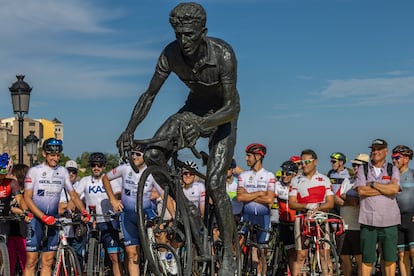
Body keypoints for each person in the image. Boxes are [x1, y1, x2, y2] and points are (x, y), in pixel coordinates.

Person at [116, 3, 240, 274]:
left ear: (203, 32)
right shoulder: (170, 53)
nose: (183, 42)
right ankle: (188, 212)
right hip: (191, 110)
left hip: (221, 116)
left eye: (190, 35)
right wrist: (129, 130)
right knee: (153, 154)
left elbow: (233, 107)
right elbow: (149, 94)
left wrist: (203, 123)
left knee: (217, 183)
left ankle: (229, 252)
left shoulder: (223, 54)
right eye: (179, 35)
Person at [24, 138, 90, 276]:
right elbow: (27, 198)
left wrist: (84, 211)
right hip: (37, 219)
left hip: (53, 219)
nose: (56, 158)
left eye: (58, 155)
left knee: (48, 261)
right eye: (52, 155)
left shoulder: (63, 171)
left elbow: (73, 195)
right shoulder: (34, 171)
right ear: (44, 154)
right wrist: (42, 217)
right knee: (31, 261)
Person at [103, 145, 165, 275]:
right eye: (133, 154)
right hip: (128, 216)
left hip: (147, 214)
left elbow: (164, 195)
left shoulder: (152, 172)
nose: (134, 156)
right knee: (132, 255)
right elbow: (105, 178)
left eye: (138, 154)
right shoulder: (125, 168)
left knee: (159, 245)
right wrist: (113, 200)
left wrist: (174, 214)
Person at [354, 139, 400, 276]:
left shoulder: (393, 169)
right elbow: (361, 191)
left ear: (386, 151)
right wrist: (385, 188)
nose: (375, 152)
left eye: (379, 149)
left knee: (390, 258)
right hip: (368, 221)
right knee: (367, 259)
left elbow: (394, 189)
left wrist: (372, 184)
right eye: (373, 149)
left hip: (390, 220)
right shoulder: (363, 169)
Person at [288, 149, 334, 276]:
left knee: (325, 254)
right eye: (302, 162)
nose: (304, 165)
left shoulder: (324, 179)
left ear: (315, 162)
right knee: (301, 255)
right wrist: (307, 206)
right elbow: (291, 203)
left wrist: (317, 209)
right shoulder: (295, 180)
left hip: (321, 218)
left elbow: (330, 202)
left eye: (307, 161)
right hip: (302, 219)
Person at [75, 152, 122, 276]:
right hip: (92, 221)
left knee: (114, 257)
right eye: (94, 165)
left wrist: (117, 200)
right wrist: (71, 209)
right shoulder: (85, 181)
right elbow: (75, 196)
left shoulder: (111, 180)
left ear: (104, 166)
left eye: (99, 165)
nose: (96, 167)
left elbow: (117, 195)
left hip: (109, 220)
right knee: (88, 255)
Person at [237, 143, 275, 276]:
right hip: (247, 216)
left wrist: (250, 195)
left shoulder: (269, 176)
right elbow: (240, 197)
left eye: (248, 156)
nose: (246, 159)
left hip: (263, 217)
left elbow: (270, 199)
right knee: (238, 243)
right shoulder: (244, 176)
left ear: (258, 157)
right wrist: (260, 193)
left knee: (262, 253)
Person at [336, 153, 369, 276]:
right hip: (344, 227)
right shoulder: (347, 180)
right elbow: (336, 198)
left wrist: (345, 198)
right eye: (354, 165)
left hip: (359, 227)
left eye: (358, 165)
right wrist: (349, 200)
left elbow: (359, 202)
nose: (355, 168)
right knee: (344, 258)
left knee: (360, 260)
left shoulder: (367, 183)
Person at [58, 160, 86, 268]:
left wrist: (65, 205)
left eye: (73, 172)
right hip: (62, 229)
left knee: (77, 259)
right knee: (62, 260)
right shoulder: (59, 187)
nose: (71, 174)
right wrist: (71, 204)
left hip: (76, 228)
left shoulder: (80, 186)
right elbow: (58, 209)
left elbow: (82, 206)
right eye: (68, 171)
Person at [391, 145, 414, 276]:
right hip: (396, 219)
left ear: (406, 159)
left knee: (413, 252)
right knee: (401, 254)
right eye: (393, 157)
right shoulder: (391, 176)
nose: (394, 160)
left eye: (397, 157)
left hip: (411, 217)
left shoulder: (412, 174)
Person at [275, 160, 299, 275]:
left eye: (287, 173)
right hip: (284, 223)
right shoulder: (278, 185)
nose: (284, 175)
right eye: (282, 173)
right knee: (290, 252)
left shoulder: (299, 185)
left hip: (298, 223)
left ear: (294, 174)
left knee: (300, 253)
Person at [8, 163, 31, 276]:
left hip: (23, 232)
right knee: (9, 264)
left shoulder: (27, 193)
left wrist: (19, 211)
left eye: (13, 174)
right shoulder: (10, 190)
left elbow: (27, 209)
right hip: (10, 230)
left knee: (25, 263)